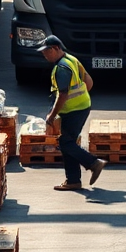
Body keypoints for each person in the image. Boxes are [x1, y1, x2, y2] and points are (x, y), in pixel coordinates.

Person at [38, 35, 106, 191]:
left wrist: (52, 116)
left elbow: (62, 94)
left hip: (73, 111)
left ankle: (93, 163)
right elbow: (89, 82)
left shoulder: (61, 68)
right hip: (81, 107)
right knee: (68, 143)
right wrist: (82, 98)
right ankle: (73, 180)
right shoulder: (72, 60)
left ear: (56, 48)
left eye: (46, 51)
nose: (44, 54)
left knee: (65, 143)